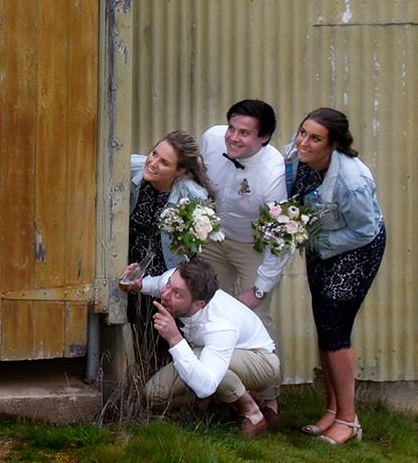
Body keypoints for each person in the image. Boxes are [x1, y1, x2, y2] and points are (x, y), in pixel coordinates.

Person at [286, 108, 385, 445]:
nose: (303, 142)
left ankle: (349, 420)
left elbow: (366, 230)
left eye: (315, 138)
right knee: (323, 322)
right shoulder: (297, 153)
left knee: (336, 330)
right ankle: (332, 410)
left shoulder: (351, 181)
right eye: (302, 132)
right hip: (321, 242)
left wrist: (317, 241)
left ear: (334, 145)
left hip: (355, 249)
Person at [197, 100, 289, 417]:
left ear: (263, 138)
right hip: (213, 236)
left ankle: (270, 397)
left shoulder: (274, 171)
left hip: (254, 246)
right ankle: (215, 389)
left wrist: (259, 288)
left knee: (258, 316)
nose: (233, 138)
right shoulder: (211, 138)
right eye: (232, 128)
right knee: (207, 309)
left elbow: (283, 236)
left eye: (244, 133)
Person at [124, 259, 280, 436]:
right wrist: (138, 284)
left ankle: (252, 412)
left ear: (198, 305)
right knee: (154, 395)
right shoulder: (175, 279)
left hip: (260, 361)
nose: (165, 295)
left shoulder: (219, 326)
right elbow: (156, 284)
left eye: (177, 294)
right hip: (212, 353)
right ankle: (233, 397)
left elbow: (206, 386)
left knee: (204, 369)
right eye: (168, 286)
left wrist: (175, 338)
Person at [119, 131, 213, 370]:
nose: (153, 163)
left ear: (180, 171)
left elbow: (192, 248)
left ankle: (162, 387)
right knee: (132, 326)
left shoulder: (192, 197)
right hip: (131, 263)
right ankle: (139, 382)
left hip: (166, 269)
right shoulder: (131, 168)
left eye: (164, 162)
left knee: (159, 333)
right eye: (154, 153)